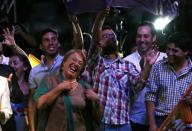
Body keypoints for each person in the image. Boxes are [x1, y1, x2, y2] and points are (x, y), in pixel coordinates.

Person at [86, 7, 160, 131]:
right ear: (100, 42)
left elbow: (138, 86)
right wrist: (100, 18)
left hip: (124, 123)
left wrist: (148, 65)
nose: (109, 37)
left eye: (111, 35)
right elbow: (94, 41)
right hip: (103, 123)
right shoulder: (96, 62)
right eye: (104, 36)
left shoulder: (127, 65)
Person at [33, 49, 101, 131]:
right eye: (74, 60)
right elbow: (40, 104)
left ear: (81, 71)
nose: (76, 64)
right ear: (63, 63)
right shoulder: (49, 81)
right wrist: (59, 88)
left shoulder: (85, 88)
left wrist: (97, 101)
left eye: (80, 63)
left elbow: (98, 118)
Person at [123, 21, 167, 131]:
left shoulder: (165, 58)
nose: (142, 40)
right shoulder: (127, 61)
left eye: (146, 36)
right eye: (139, 36)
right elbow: (126, 92)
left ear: (154, 38)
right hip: (136, 119)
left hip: (162, 118)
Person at [145, 32, 192, 131]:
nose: (169, 53)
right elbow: (150, 95)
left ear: (186, 52)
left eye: (175, 50)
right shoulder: (158, 67)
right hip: (160, 120)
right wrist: (152, 124)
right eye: (168, 49)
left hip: (184, 122)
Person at [28, 27, 64, 131]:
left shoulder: (66, 64)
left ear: (59, 43)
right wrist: (32, 128)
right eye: (46, 40)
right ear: (40, 46)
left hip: (65, 121)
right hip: (44, 123)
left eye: (54, 39)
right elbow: (32, 102)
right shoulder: (34, 72)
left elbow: (79, 46)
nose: (51, 42)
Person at [9, 54, 32, 131]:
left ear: (25, 67)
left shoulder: (30, 88)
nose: (12, 66)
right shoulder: (5, 85)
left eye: (15, 63)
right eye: (10, 64)